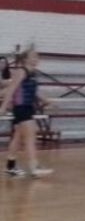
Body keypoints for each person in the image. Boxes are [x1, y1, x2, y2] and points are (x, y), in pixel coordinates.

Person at [0, 47, 53, 178]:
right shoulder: (21, 71)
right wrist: (3, 107)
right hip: (21, 108)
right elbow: (11, 89)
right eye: (33, 56)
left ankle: (10, 167)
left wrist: (46, 100)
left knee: (18, 137)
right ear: (25, 59)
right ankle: (34, 167)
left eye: (37, 56)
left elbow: (33, 92)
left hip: (28, 107)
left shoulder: (33, 74)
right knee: (30, 137)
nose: (36, 59)